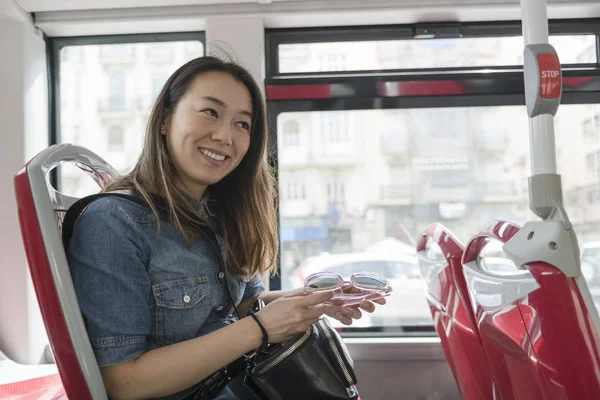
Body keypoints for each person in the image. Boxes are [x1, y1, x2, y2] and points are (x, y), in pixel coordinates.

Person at [66, 55, 385, 400]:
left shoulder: (220, 213)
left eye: (242, 124)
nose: (225, 136)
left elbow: (246, 304)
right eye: (210, 112)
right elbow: (122, 381)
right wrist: (261, 329)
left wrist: (316, 302)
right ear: (164, 119)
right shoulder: (114, 222)